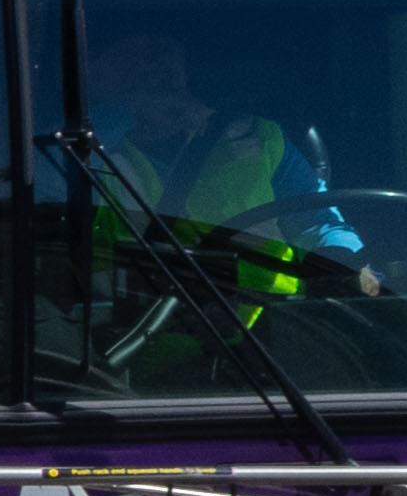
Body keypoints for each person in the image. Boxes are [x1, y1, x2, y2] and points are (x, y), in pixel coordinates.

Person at [91, 32, 363, 297]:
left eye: (163, 49)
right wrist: (127, 110)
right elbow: (52, 186)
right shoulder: (76, 151)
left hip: (279, 324)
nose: (154, 65)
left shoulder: (257, 135)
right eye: (129, 54)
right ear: (91, 72)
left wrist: (341, 257)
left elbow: (317, 221)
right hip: (142, 336)